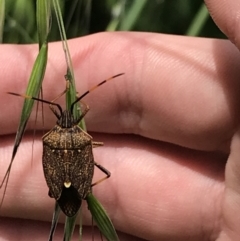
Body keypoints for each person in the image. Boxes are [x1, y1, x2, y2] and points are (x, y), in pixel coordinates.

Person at [1, 0, 240, 240]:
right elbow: (86, 105)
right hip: (77, 183)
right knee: (101, 173)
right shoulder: (81, 139)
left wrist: (63, 90)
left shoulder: (50, 140)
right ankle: (83, 190)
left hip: (64, 184)